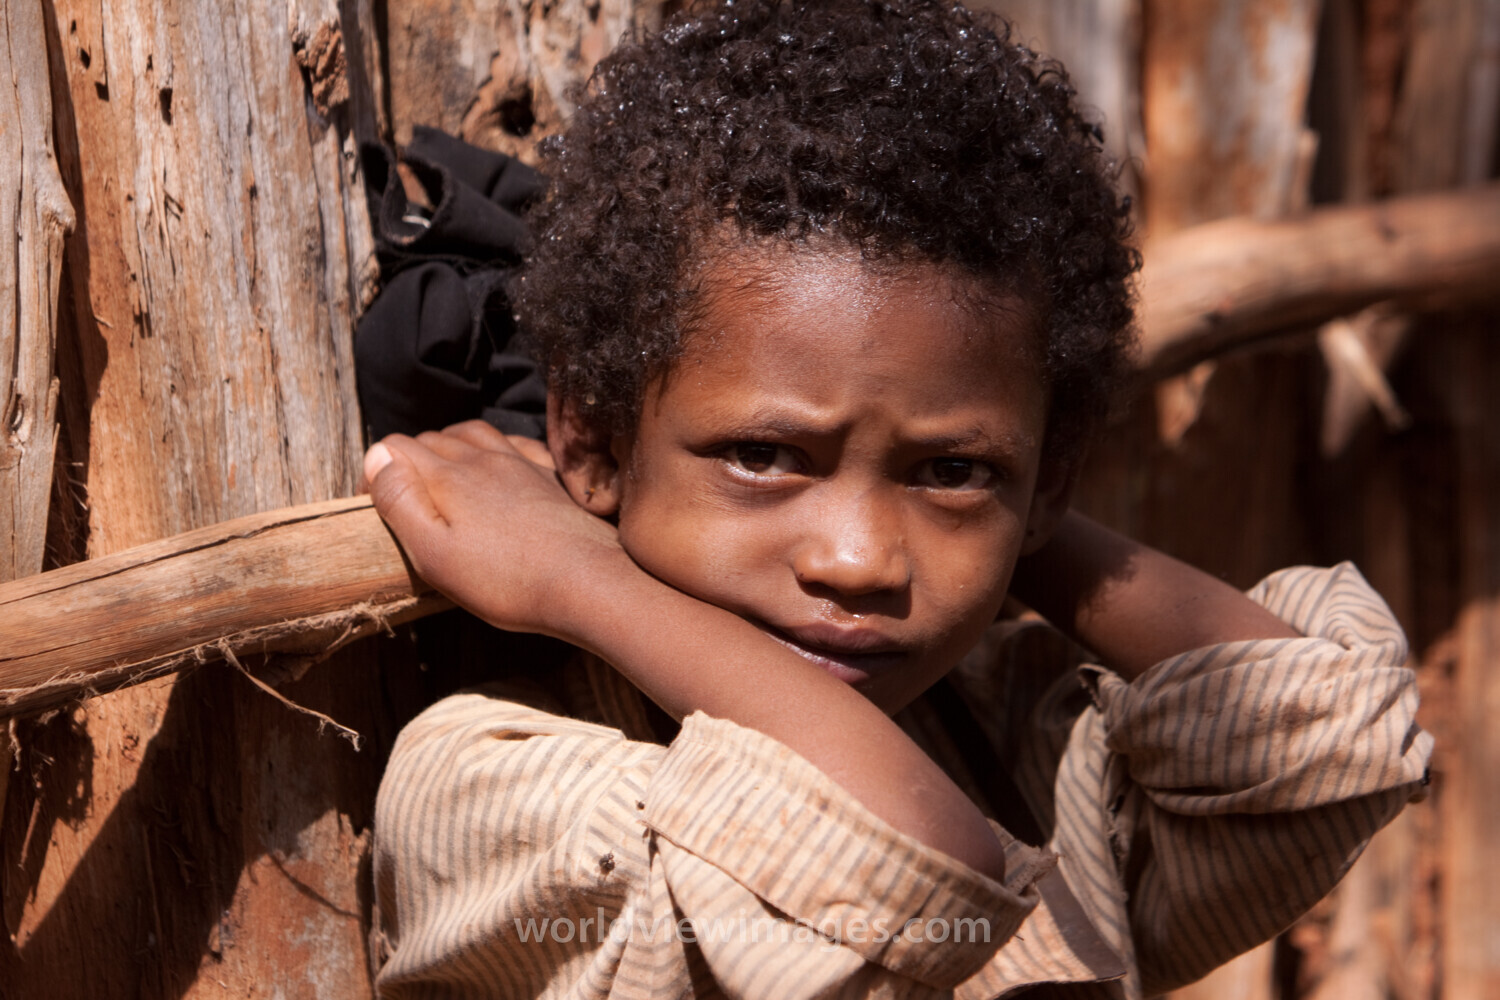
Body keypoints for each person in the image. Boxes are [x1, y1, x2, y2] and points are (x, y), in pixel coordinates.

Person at [360, 1, 1433, 997]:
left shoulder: (997, 729)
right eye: (765, 454)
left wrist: (1024, 516)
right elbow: (912, 862)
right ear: (590, 440)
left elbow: (1324, 733)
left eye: (950, 471)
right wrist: (581, 581)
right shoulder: (501, 784)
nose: (863, 558)